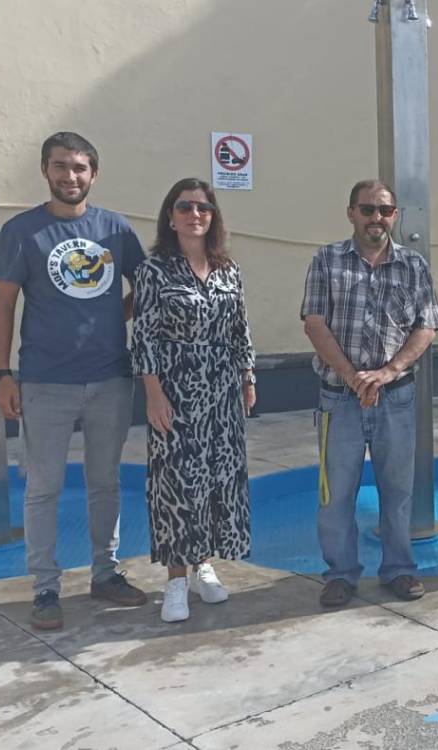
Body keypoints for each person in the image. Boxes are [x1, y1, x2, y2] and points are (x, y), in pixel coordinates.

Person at [0, 131, 148, 631]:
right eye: (61, 167)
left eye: (80, 168)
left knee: (105, 483)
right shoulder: (22, 231)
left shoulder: (116, 230)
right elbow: (3, 305)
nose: (70, 176)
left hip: (109, 380)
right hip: (44, 382)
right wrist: (2, 374)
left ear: (93, 174)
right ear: (46, 171)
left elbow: (147, 289)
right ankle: (44, 589)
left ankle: (106, 573)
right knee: (44, 489)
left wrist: (109, 316)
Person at [302, 179, 438, 606]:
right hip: (338, 397)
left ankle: (399, 570)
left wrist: (387, 372)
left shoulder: (413, 266)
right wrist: (352, 376)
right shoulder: (326, 260)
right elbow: (314, 322)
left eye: (384, 211)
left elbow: (427, 325)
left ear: (395, 216)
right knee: (336, 495)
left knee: (398, 492)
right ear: (351, 213)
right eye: (367, 210)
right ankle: (341, 575)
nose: (376, 219)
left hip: (395, 397)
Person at [131, 178, 255, 623]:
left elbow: (240, 327)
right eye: (184, 207)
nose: (194, 214)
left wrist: (248, 375)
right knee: (176, 484)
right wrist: (153, 392)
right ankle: (176, 581)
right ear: (171, 216)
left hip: (222, 391)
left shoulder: (228, 269)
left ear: (213, 215)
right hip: (176, 390)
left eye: (203, 207)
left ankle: (204, 565)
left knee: (217, 479)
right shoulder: (154, 271)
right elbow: (143, 336)